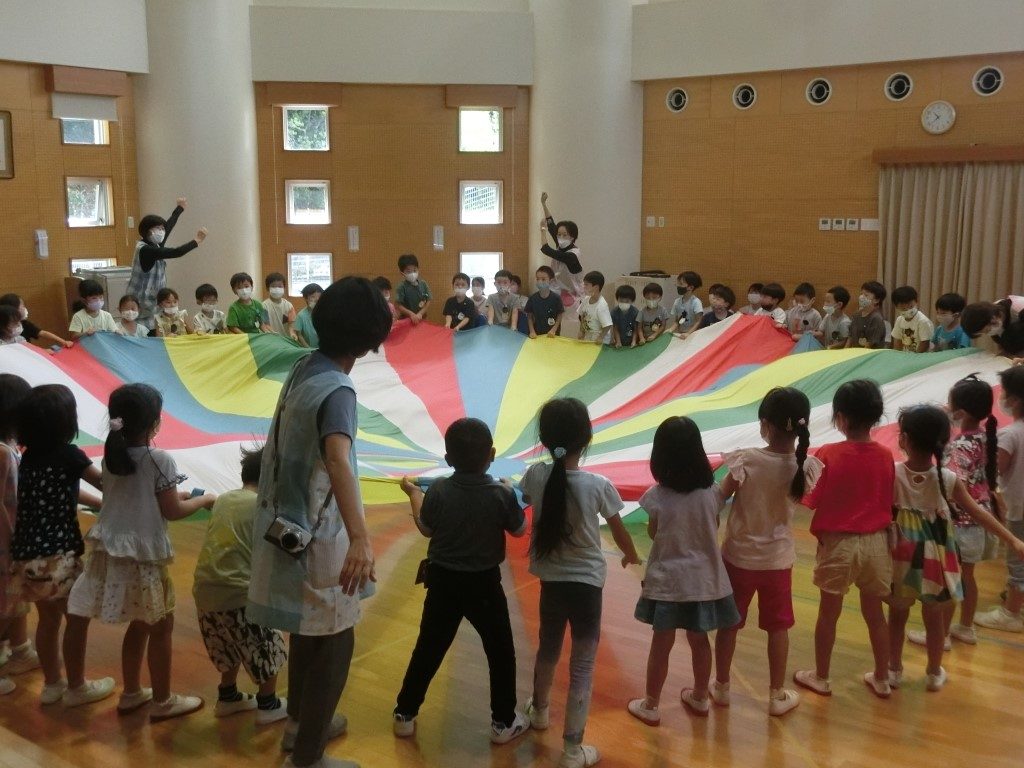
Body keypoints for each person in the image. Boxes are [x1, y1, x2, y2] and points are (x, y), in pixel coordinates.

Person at [248, 276, 392, 768]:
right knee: (335, 636)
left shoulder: (302, 367)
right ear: (370, 339)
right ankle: (308, 756)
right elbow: (337, 460)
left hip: (283, 521)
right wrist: (361, 539)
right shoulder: (339, 389)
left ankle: (300, 726)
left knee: (308, 629)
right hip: (320, 533)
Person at [64, 383, 216, 719]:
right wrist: (204, 500)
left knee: (142, 621)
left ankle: (132, 692)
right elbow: (173, 511)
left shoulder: (112, 457)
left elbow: (136, 495)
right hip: (143, 556)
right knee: (159, 625)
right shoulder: (159, 459)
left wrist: (175, 495)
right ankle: (162, 701)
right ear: (154, 423)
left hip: (110, 550)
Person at [519, 398, 640, 768]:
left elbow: (525, 497)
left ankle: (540, 712)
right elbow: (619, 532)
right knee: (583, 665)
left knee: (548, 649)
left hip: (552, 583)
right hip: (587, 586)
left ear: (544, 439)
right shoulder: (598, 485)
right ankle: (572, 750)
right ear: (586, 439)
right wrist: (631, 555)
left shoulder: (536, 475)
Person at [393, 418, 528, 742]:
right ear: (491, 454)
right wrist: (511, 494)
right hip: (484, 585)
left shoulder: (439, 489)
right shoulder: (501, 493)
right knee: (500, 652)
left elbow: (426, 528)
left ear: (448, 458)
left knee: (428, 647)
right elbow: (519, 530)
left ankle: (404, 713)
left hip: (442, 583)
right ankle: (503, 722)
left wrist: (413, 493)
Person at [886, 404, 1024, 691]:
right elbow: (979, 513)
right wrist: (1012, 539)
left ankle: (894, 670)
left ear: (904, 439)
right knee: (935, 618)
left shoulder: (893, 473)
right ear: (943, 442)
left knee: (897, 616)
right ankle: (933, 672)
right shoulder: (947, 478)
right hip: (936, 557)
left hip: (900, 555)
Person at [715, 387, 822, 716]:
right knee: (778, 628)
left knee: (729, 625)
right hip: (778, 562)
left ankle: (721, 687)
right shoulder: (804, 466)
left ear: (766, 424)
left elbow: (719, 497)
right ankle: (777, 695)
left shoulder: (747, 459)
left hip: (738, 558)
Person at [626, 417, 739, 725]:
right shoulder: (711, 494)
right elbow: (712, 525)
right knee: (699, 641)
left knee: (661, 645)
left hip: (669, 585)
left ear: (660, 458)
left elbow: (654, 533)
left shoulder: (656, 496)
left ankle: (651, 705)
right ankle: (701, 697)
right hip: (703, 584)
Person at [792, 380, 895, 699]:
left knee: (828, 613)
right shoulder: (886, 455)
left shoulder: (828, 453)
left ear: (840, 417)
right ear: (876, 416)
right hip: (877, 543)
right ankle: (882, 677)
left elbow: (810, 499)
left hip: (839, 544)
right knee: (875, 615)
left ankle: (821, 677)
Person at [9, 384, 110, 706]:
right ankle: (77, 687)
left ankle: (52, 685)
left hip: (28, 558)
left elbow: (65, 487)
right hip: (60, 558)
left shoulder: (28, 458)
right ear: (67, 421)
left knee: (48, 621)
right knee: (76, 620)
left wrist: (99, 503)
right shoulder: (70, 455)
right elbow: (105, 482)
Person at [192, 446, 288, 724]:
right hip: (240, 594)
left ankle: (228, 696)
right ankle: (268, 704)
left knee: (227, 645)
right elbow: (287, 545)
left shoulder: (224, 500)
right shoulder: (263, 508)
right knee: (268, 645)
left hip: (205, 592)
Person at [907, 376, 997, 649]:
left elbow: (954, 486)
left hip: (961, 524)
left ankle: (941, 634)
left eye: (950, 404)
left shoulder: (958, 447)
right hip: (979, 521)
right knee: (967, 577)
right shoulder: (985, 437)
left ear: (961, 413)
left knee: (949, 582)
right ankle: (965, 627)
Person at [976, 366, 1024, 632]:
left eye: (1004, 393)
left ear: (1014, 400)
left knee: (1018, 561)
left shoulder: (1011, 434)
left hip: (1020, 507)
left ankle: (1011, 614)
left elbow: (995, 470)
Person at [0, 374, 37, 695]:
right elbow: (6, 501)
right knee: (5, 601)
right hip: (5, 542)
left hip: (9, 541)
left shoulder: (9, 450)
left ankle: (20, 649)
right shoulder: (4, 454)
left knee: (15, 597)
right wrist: (16, 538)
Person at [127, 197, 207, 329]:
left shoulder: (154, 244)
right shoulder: (146, 250)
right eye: (158, 228)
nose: (162, 232)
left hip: (153, 303)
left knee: (159, 326)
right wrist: (196, 241)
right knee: (143, 330)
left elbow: (168, 226)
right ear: (147, 231)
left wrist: (179, 208)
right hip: (140, 304)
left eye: (162, 229)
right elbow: (176, 252)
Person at [540, 192, 584, 302]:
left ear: (572, 237)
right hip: (558, 290)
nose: (560, 237)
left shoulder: (572, 255)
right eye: (559, 234)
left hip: (574, 295)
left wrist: (542, 230)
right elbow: (551, 224)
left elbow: (546, 249)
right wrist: (544, 204)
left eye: (564, 235)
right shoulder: (561, 245)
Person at [0, 294, 73, 350]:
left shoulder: (20, 338)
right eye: (22, 306)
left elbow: (31, 349)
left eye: (18, 323)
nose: (18, 326)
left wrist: (63, 341)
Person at [524, 266, 564, 339]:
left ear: (551, 281)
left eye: (543, 279)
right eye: (537, 279)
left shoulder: (556, 298)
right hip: (537, 335)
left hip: (552, 335)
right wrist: (532, 331)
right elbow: (529, 317)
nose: (540, 282)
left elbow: (559, 315)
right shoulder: (532, 298)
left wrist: (554, 330)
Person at [891, 286, 933, 353]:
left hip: (920, 356)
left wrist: (915, 358)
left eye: (910, 306)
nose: (908, 310)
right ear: (896, 307)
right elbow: (898, 340)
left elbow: (925, 343)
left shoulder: (923, 321)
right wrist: (896, 355)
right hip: (905, 356)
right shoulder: (899, 319)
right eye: (903, 308)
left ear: (916, 301)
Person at [847, 281, 887, 349]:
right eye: (861, 294)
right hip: (855, 352)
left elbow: (870, 344)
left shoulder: (876, 318)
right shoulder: (856, 315)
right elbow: (850, 337)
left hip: (870, 353)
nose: (861, 297)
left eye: (866, 295)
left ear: (876, 300)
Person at [577, 271, 612, 346]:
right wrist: (581, 331)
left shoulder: (602, 305)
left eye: (586, 284)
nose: (584, 287)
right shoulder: (585, 300)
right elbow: (582, 315)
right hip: (589, 335)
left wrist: (601, 337)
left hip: (600, 339)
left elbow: (608, 325)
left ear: (596, 287)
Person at [395, 254, 432, 325]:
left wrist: (420, 313)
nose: (412, 273)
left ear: (418, 269)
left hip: (422, 319)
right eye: (408, 271)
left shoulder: (423, 284)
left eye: (414, 270)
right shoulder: (402, 287)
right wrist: (411, 314)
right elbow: (398, 305)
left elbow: (428, 300)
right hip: (406, 321)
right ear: (402, 273)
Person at [264, 272, 298, 339]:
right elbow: (266, 325)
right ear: (268, 288)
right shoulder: (264, 306)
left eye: (280, 286)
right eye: (273, 286)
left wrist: (292, 333)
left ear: (284, 288)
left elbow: (291, 324)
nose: (277, 289)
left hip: (287, 339)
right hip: (271, 339)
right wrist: (275, 336)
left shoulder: (289, 306)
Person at [294, 284, 323, 348]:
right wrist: (308, 349)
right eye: (313, 297)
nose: (317, 299)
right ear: (306, 298)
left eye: (319, 296)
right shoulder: (301, 316)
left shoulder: (325, 313)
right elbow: (299, 335)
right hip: (309, 349)